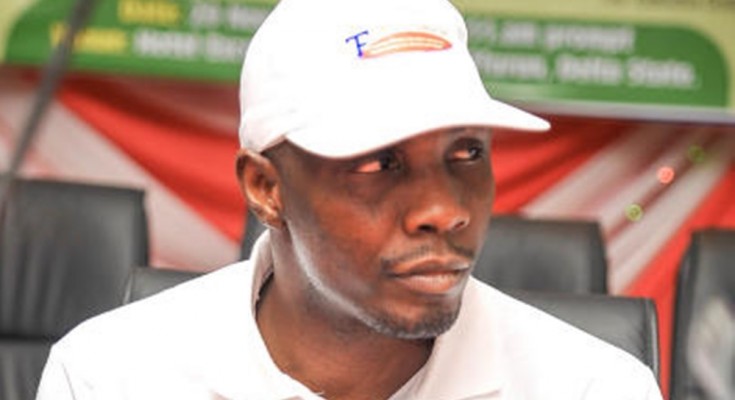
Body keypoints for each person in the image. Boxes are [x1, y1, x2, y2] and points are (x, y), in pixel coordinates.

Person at [36, 0, 664, 398]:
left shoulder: (594, 388)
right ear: (267, 189)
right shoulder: (110, 377)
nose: (445, 211)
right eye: (379, 163)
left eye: (467, 152)